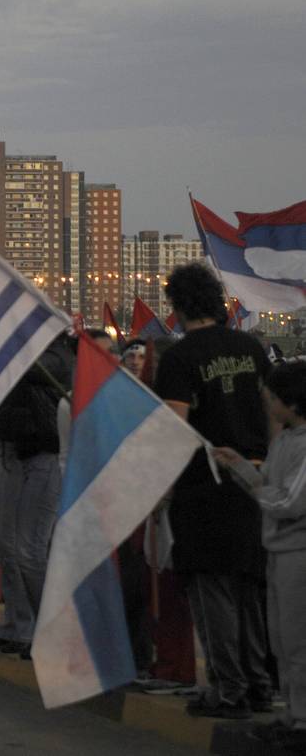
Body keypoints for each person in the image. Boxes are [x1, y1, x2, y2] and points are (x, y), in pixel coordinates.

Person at [155, 262, 273, 719]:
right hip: (253, 483)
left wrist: (161, 490)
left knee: (212, 591)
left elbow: (174, 430)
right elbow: (272, 412)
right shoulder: (251, 348)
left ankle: (229, 689)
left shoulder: (180, 358)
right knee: (248, 588)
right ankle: (258, 684)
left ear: (178, 306)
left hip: (204, 488)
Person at [212, 362, 306, 745]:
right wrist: (239, 466)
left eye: (273, 398)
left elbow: (290, 501)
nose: (268, 404)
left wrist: (256, 489)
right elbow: (269, 480)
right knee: (281, 640)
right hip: (279, 550)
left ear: (292, 403)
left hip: (298, 553)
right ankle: (292, 715)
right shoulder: (285, 440)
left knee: (298, 641)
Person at [0, 345, 65, 659]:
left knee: (29, 550)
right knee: (5, 544)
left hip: (44, 454)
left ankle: (50, 631)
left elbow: (28, 369)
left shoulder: (58, 354)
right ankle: (19, 627)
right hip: (13, 450)